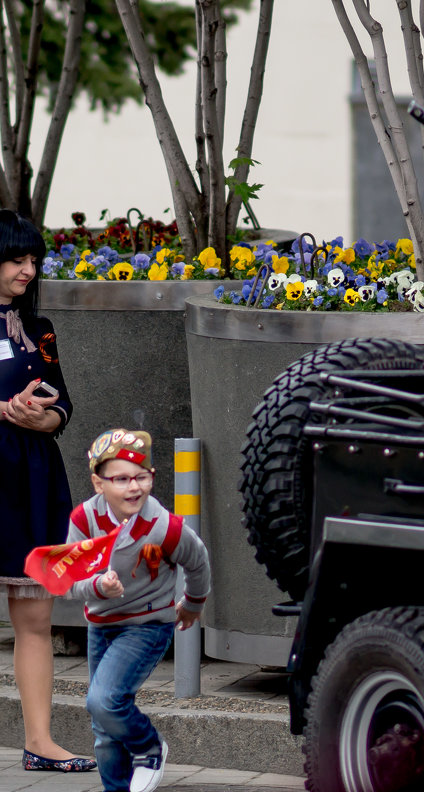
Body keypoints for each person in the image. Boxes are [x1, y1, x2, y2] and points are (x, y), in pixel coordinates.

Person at [0, 209, 96, 773]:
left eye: (33, 260)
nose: (28, 270)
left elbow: (61, 402)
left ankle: (40, 743)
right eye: (16, 259)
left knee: (35, 615)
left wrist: (45, 418)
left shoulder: (40, 331)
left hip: (32, 473)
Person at [64, 429, 211, 792]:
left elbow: (198, 562)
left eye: (141, 477)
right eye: (121, 479)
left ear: (152, 477)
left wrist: (193, 603)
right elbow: (69, 580)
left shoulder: (163, 526)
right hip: (101, 625)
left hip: (147, 625)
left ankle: (149, 746)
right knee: (103, 723)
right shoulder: (84, 520)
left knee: (104, 701)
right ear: (98, 483)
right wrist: (98, 586)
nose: (134, 487)